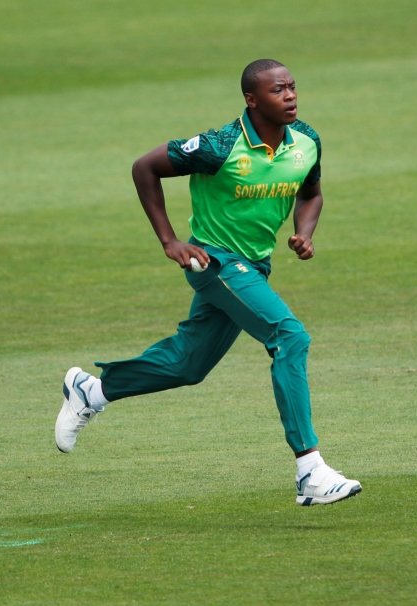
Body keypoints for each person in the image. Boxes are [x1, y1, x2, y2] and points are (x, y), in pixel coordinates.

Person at [54, 59, 361, 506]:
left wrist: (305, 232)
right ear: (252, 100)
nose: (290, 96)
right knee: (289, 337)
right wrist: (169, 240)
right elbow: (145, 167)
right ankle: (310, 471)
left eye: (293, 87)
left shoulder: (306, 142)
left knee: (188, 365)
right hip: (216, 263)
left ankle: (94, 390)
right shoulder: (220, 146)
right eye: (278, 90)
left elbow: (310, 192)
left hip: (255, 266)